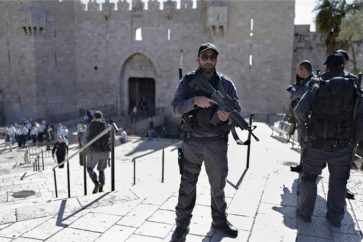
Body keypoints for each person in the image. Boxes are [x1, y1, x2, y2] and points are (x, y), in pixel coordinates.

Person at [170, 43, 239, 241]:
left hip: (217, 143)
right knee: (187, 186)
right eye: (205, 57)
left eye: (212, 57)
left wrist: (226, 116)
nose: (209, 60)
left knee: (218, 185)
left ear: (216, 60)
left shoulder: (226, 84)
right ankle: (182, 225)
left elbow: (237, 109)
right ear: (198, 59)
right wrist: (194, 101)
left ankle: (219, 220)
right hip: (192, 142)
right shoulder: (188, 81)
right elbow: (175, 108)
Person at [294, 52, 363, 227]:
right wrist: (354, 143)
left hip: (316, 143)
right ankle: (335, 218)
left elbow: (299, 111)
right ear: (343, 67)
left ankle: (304, 213)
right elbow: (360, 119)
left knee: (309, 178)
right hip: (343, 146)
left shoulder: (317, 83)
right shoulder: (355, 86)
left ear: (327, 66)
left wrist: (305, 130)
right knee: (339, 181)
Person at [287, 60, 314, 173]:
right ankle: (302, 165)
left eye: (298, 69)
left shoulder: (311, 81)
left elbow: (301, 93)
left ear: (303, 69)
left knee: (306, 144)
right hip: (302, 118)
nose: (297, 71)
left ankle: (306, 167)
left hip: (307, 119)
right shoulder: (306, 81)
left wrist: (293, 89)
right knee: (303, 143)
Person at [84, 111, 110, 193]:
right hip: (105, 151)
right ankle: (101, 188)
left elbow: (86, 138)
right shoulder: (107, 125)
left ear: (94, 117)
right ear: (101, 117)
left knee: (89, 168)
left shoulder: (91, 125)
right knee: (101, 170)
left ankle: (96, 183)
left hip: (94, 151)